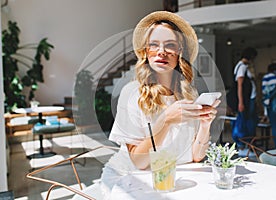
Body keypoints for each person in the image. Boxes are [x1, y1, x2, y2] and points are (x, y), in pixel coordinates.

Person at [98, 11, 220, 199]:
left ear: (180, 52)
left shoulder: (189, 94)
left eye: (170, 45)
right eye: (154, 45)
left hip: (177, 181)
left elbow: (196, 157)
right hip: (134, 183)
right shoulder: (133, 94)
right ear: (146, 52)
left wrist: (205, 126)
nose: (161, 51)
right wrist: (166, 121)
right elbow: (139, 162)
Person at [231, 47, 258, 155]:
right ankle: (243, 146)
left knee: (247, 122)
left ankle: (246, 145)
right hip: (246, 100)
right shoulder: (242, 67)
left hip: (249, 99)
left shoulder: (243, 67)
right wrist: (241, 102)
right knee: (245, 122)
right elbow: (240, 86)